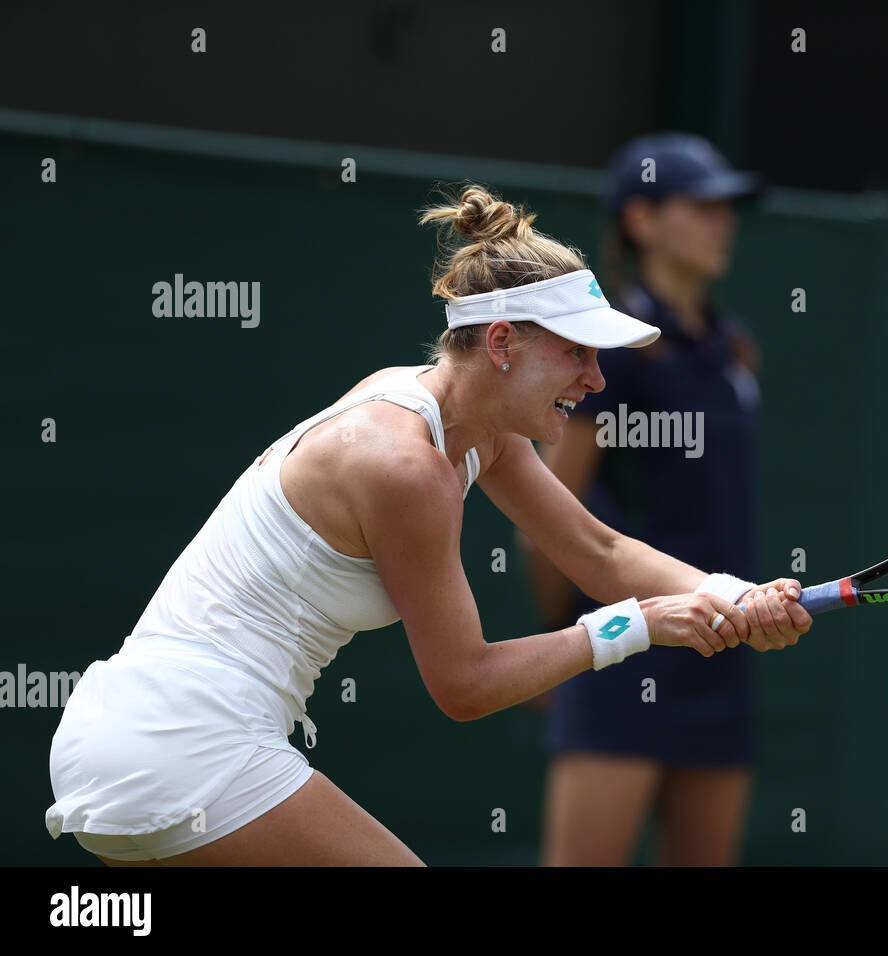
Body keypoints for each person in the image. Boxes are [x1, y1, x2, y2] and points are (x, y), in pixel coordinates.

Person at [43, 185, 812, 867]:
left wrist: (735, 596)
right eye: (577, 353)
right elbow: (465, 686)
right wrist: (638, 627)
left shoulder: (468, 422)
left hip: (133, 744)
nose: (597, 379)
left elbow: (598, 549)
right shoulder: (403, 466)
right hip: (183, 747)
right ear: (503, 343)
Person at [525, 133, 768, 866]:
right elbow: (545, 520)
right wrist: (558, 647)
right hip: (625, 655)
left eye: (728, 209)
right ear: (642, 220)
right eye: (701, 207)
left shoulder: (737, 351)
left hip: (722, 659)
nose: (723, 223)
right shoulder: (610, 356)